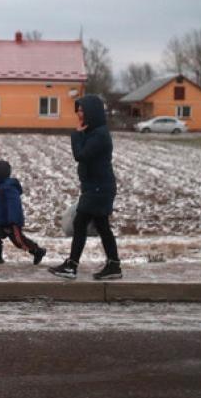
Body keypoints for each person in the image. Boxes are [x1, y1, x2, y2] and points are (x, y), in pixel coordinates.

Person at [49, 94, 122, 280]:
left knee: (81, 223)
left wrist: (76, 134)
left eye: (82, 110)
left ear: (92, 112)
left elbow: (80, 155)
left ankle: (72, 266)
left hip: (99, 189)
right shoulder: (95, 132)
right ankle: (113, 265)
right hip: (96, 188)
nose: (79, 114)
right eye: (78, 110)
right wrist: (82, 134)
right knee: (102, 226)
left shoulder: (100, 135)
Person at [0, 160, 47, 265]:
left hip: (11, 221)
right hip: (3, 221)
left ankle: (38, 251)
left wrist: (13, 220)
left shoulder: (8, 187)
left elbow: (14, 204)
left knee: (19, 242)